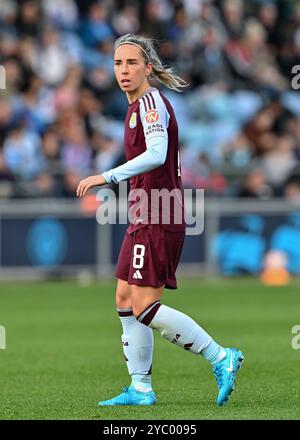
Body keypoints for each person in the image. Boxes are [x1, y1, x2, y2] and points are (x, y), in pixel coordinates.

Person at [76, 33, 244, 407]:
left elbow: (157, 153)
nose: (124, 70)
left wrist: (109, 175)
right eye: (118, 63)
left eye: (132, 62)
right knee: (124, 296)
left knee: (144, 307)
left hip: (159, 213)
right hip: (146, 212)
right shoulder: (137, 105)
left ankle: (221, 356)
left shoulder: (150, 104)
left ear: (148, 67)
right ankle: (140, 388)